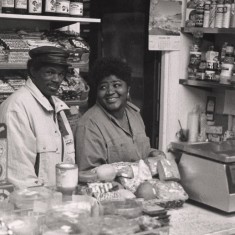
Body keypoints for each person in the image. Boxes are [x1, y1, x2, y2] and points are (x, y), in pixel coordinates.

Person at [0, 46, 75, 189]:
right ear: (33, 71)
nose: (57, 79)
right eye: (50, 72)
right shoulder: (16, 108)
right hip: (30, 206)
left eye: (61, 74)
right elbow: (19, 178)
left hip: (54, 202)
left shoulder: (58, 107)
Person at [75, 57, 164, 171]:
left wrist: (152, 153)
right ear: (97, 92)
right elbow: (89, 174)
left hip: (143, 185)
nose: (110, 92)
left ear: (128, 89)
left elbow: (139, 152)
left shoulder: (134, 114)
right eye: (103, 87)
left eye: (116, 85)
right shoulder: (89, 125)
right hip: (114, 188)